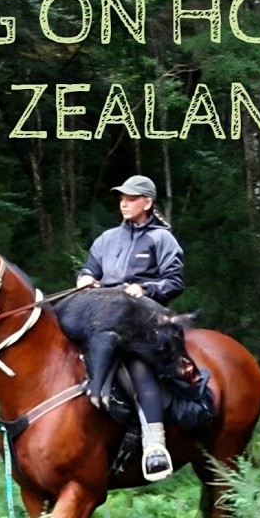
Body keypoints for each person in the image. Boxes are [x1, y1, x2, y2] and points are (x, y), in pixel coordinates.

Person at [76, 175, 184, 481]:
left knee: (138, 366)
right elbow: (89, 269)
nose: (123, 203)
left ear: (147, 202)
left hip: (143, 318)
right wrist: (85, 278)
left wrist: (146, 289)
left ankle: (155, 447)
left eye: (131, 198)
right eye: (121, 198)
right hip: (103, 313)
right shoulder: (106, 239)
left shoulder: (162, 239)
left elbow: (174, 281)